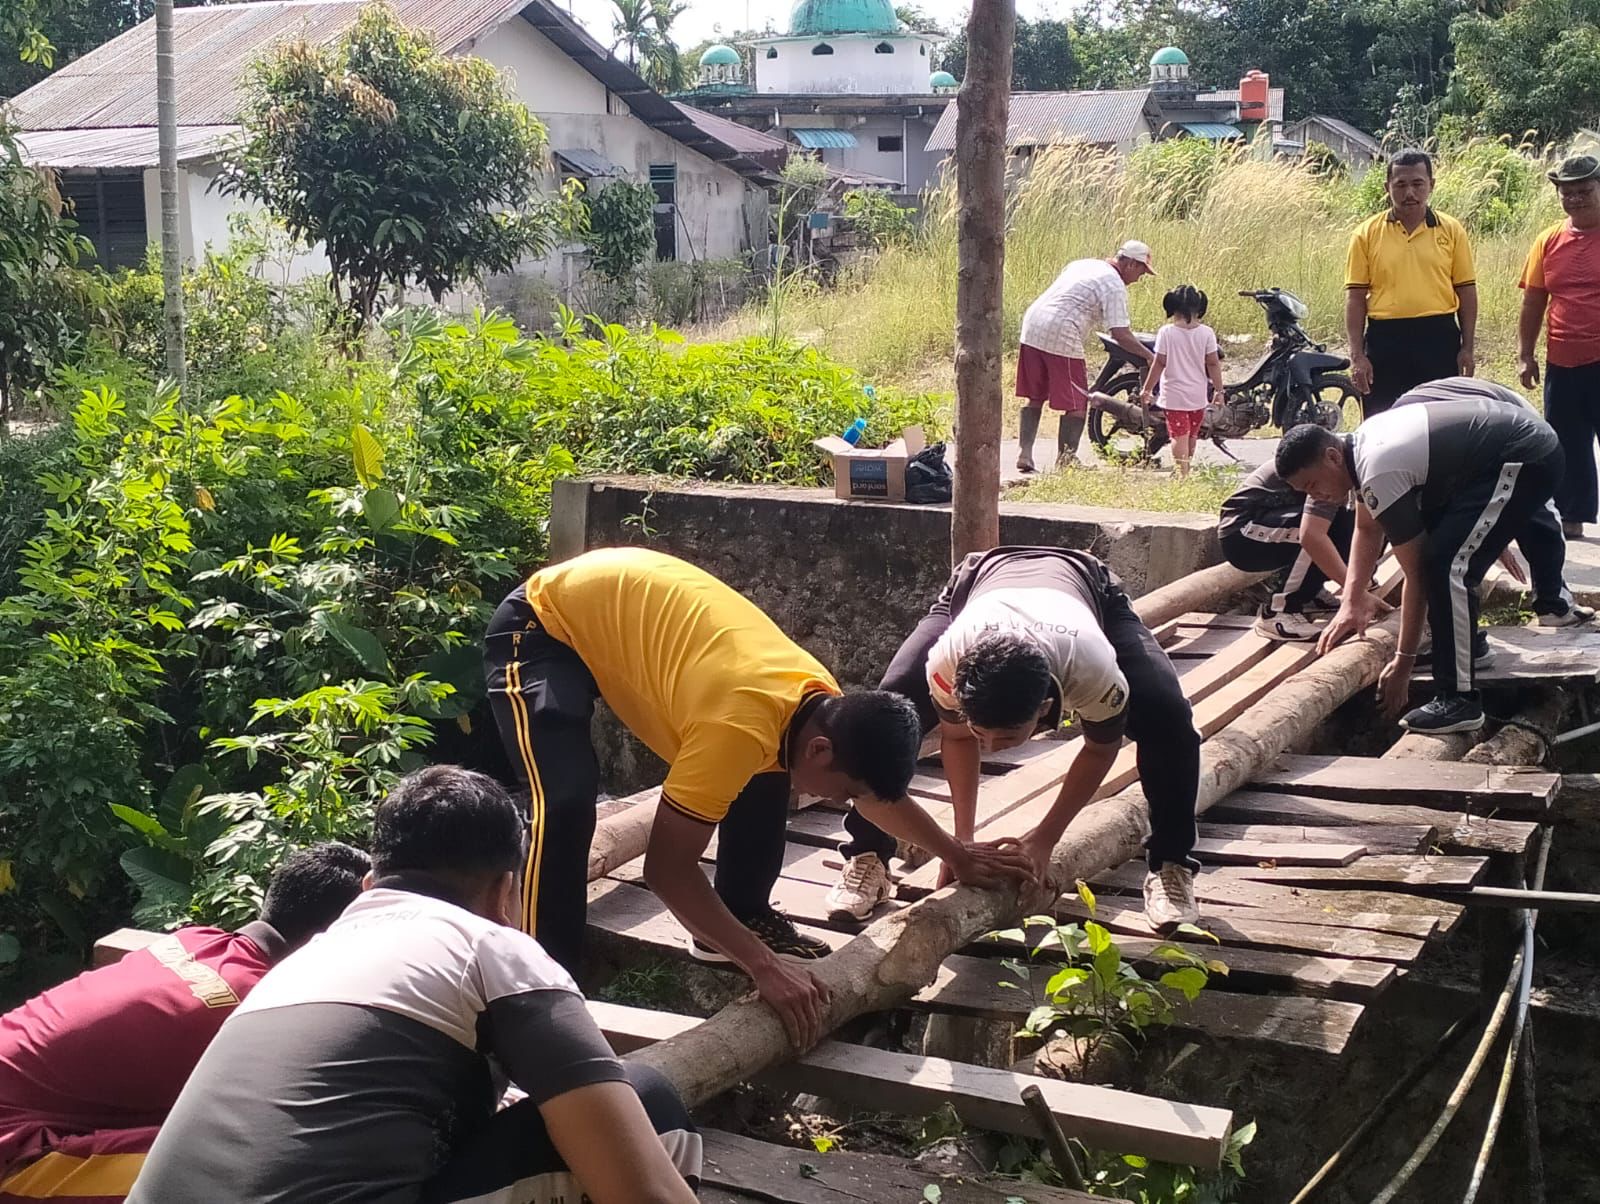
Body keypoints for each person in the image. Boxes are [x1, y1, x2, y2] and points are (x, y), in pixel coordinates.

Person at [485, 546, 1033, 1047]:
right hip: (543, 625)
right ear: (822, 751)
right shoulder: (737, 727)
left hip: (622, 610)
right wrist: (765, 967)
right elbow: (667, 871)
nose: (844, 804)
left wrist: (956, 854)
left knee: (770, 765)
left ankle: (736, 921)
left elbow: (871, 797)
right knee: (566, 804)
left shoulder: (816, 704)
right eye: (843, 793)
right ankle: (544, 987)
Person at [128, 766, 702, 1204]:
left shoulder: (304, 962)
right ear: (506, 890)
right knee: (649, 1102)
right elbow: (644, 1193)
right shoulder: (492, 947)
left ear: (371, 885)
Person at [826, 546, 1202, 932]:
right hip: (980, 582)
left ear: (1044, 710)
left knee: (1169, 718)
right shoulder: (947, 662)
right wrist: (962, 846)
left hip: (1089, 587)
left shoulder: (1092, 670)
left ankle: (1171, 863)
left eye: (1006, 738)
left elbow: (1099, 747)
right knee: (887, 714)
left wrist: (1045, 839)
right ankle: (867, 853)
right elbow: (956, 739)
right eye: (981, 733)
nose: (988, 747)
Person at [0, 842, 369, 1202]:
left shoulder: (193, 940)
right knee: (262, 1163)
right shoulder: (261, 1006)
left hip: (23, 1110)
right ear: (327, 937)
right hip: (16, 1152)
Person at [1277, 378, 1595, 735]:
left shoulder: (1377, 467)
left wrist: (1403, 663)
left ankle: (1458, 699)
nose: (1317, 496)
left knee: (1447, 567)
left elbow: (1418, 576)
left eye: (1312, 485)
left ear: (1331, 457)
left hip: (1525, 454)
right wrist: (1351, 601)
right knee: (1446, 558)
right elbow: (1367, 530)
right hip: (1507, 454)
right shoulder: (1363, 451)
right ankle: (1466, 649)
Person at [1345, 149, 1478, 416]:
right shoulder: (1366, 234)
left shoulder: (1451, 230)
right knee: (1383, 423)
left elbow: (1466, 291)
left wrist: (1467, 348)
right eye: (1401, 185)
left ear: (1431, 184)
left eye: (1418, 184)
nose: (1410, 193)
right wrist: (1357, 356)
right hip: (1385, 340)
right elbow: (1356, 298)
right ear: (1387, 188)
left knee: (1441, 423)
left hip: (1438, 338)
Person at [1016, 240, 1158, 472]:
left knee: (1035, 394)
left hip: (1032, 324)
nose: (1139, 278)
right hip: (1061, 330)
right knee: (1077, 401)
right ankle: (1067, 460)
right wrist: (1149, 356)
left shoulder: (1083, 264)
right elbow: (1120, 334)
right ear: (1131, 264)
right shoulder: (1114, 285)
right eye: (1142, 272)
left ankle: (1025, 454)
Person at [1519, 154, 1600, 540]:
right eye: (1567, 193)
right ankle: (1573, 518)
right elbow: (1534, 299)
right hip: (1561, 358)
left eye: (1584, 191)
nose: (1576, 199)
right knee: (1566, 441)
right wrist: (1525, 353)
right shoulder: (1548, 240)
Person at [1217, 459, 1359, 642]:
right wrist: (1356, 592)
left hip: (1274, 520)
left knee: (1347, 519)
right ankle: (1278, 612)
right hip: (1241, 534)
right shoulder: (1329, 466)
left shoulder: (1348, 460)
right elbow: (1313, 535)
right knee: (1325, 527)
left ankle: (1310, 590)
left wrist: (1361, 581)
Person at [1140, 284, 1224, 479]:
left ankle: (1182, 473)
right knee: (1192, 436)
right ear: (1199, 308)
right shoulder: (1206, 333)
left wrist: (1147, 389)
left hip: (1174, 396)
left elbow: (1160, 363)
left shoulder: (1167, 333)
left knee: (1179, 436)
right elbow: (1213, 363)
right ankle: (1186, 468)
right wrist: (1219, 391)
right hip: (1197, 396)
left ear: (1172, 308)